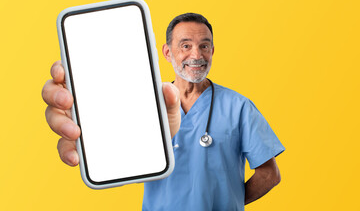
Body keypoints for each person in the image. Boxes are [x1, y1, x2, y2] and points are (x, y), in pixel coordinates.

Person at [42, 13, 285, 211]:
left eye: (204, 46)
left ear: (212, 51)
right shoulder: (143, 104)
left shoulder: (239, 107)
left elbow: (269, 174)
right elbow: (120, 159)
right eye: (186, 46)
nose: (196, 55)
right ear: (167, 53)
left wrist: (226, 204)